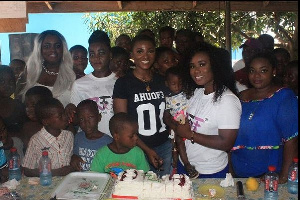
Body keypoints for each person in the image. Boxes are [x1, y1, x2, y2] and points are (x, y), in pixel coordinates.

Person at [173, 43, 242, 178]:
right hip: (185, 165)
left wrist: (190, 134)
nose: (196, 71)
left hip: (210, 171)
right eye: (192, 66)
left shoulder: (227, 100)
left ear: (215, 65)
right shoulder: (197, 93)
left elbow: (226, 143)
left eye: (202, 64)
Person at [230, 52, 298, 184]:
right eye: (252, 71)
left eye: (263, 71)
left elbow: (292, 140)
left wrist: (284, 176)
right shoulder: (241, 97)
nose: (256, 76)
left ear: (273, 71)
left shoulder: (284, 97)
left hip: (269, 174)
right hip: (239, 169)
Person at [113, 34, 172, 176]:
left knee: (162, 189)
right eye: (140, 51)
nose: (145, 56)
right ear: (132, 54)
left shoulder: (163, 81)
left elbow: (170, 113)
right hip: (136, 148)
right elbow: (122, 124)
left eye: (150, 51)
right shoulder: (123, 83)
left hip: (164, 145)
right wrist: (147, 149)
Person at [69, 30, 117, 137]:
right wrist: (69, 112)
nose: (96, 58)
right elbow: (76, 119)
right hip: (89, 143)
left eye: (101, 53)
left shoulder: (120, 81)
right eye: (92, 54)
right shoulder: (79, 85)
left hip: (115, 143)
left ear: (110, 55)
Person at [20, 30, 76, 107]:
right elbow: (19, 102)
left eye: (57, 46)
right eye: (47, 46)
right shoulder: (29, 73)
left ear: (63, 49)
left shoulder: (73, 75)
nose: (52, 50)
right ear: (39, 49)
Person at [22, 97, 75, 177]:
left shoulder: (69, 136)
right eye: (60, 116)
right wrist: (55, 172)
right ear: (46, 122)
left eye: (64, 113)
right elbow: (27, 170)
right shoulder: (36, 141)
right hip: (46, 183)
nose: (65, 117)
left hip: (67, 181)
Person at [164, 66, 199, 179]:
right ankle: (186, 164)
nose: (177, 86)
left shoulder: (187, 93)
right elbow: (167, 116)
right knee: (179, 142)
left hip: (190, 123)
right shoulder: (167, 99)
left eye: (180, 83)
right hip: (178, 125)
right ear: (167, 84)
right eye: (173, 84)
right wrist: (174, 126)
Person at [71, 99, 112, 171]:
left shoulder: (108, 142)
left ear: (99, 117)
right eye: (81, 119)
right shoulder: (78, 137)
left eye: (90, 117)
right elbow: (74, 155)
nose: (86, 122)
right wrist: (73, 157)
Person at [0, 65, 26, 161]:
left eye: (11, 81)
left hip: (15, 149)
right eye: (2, 82)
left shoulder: (19, 106)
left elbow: (25, 130)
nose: (7, 85)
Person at [20, 86, 53, 151]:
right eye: (27, 105)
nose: (29, 110)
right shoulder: (27, 127)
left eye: (34, 105)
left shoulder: (57, 124)